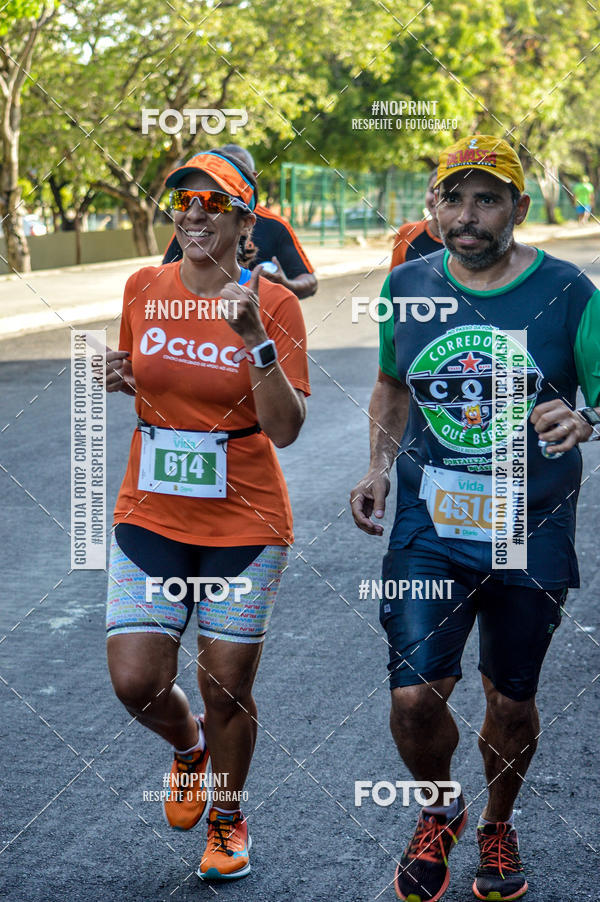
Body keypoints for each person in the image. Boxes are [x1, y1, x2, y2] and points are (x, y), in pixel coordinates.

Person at [350, 134, 600, 902]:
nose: (467, 215)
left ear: (519, 209)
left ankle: (496, 823)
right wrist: (378, 466)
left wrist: (587, 418)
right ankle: (437, 811)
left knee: (509, 697)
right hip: (432, 520)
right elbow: (394, 384)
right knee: (415, 695)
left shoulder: (571, 291)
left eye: (486, 198)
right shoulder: (408, 285)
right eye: (452, 198)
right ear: (434, 206)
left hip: (533, 519)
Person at [104, 148, 310, 881]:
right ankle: (189, 749)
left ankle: (228, 817)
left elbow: (286, 429)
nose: (194, 213)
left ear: (244, 218)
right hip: (150, 508)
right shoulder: (143, 285)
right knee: (135, 680)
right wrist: (119, 373)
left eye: (213, 203)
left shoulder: (274, 304)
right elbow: (143, 375)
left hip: (244, 520)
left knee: (227, 686)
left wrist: (255, 338)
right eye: (183, 201)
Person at [163, 145, 318, 299]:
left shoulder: (276, 226)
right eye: (182, 198)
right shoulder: (192, 230)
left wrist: (283, 285)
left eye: (214, 200)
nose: (194, 215)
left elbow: (310, 282)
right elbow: (166, 277)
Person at [390, 169, 443, 270]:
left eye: (446, 193)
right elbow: (394, 282)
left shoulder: (471, 239)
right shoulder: (406, 233)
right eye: (433, 190)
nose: (437, 198)